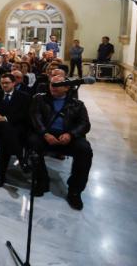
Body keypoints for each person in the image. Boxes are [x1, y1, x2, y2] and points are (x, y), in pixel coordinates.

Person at [29, 74, 93, 210]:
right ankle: (41, 181)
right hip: (46, 133)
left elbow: (85, 124)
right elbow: (36, 118)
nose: (53, 87)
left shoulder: (77, 104)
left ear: (67, 88)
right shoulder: (39, 99)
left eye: (57, 85)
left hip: (68, 135)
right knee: (33, 142)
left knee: (85, 150)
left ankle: (75, 190)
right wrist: (45, 133)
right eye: (51, 84)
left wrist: (71, 134)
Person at [0, 73, 32, 187]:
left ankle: (1, 176)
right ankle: (21, 159)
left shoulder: (24, 96)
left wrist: (6, 118)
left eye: (7, 83)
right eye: (2, 83)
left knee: (6, 139)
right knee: (5, 129)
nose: (4, 85)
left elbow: (24, 115)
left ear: (14, 83)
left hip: (15, 127)